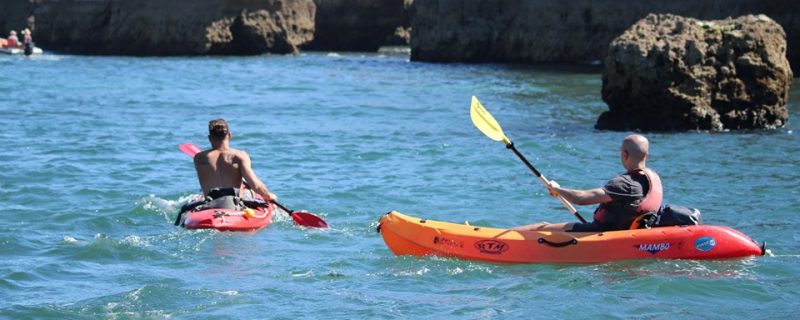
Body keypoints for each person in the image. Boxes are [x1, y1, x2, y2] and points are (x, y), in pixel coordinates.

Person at [512, 134, 662, 232]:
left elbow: (581, 198)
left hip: (602, 233)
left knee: (541, 227)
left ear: (624, 155)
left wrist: (558, 189)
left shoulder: (625, 183)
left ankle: (494, 241)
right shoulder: (652, 179)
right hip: (622, 230)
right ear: (646, 155)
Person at [192, 119, 276, 209]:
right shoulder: (240, 156)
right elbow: (255, 185)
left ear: (210, 138)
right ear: (229, 135)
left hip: (209, 206)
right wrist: (268, 195)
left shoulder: (199, 158)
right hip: (233, 206)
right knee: (248, 191)